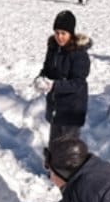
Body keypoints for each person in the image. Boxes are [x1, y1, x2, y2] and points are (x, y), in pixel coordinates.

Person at [35, 10, 91, 144]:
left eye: (63, 33)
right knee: (54, 146)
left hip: (72, 110)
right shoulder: (53, 49)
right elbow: (47, 69)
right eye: (57, 33)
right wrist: (40, 78)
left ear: (71, 33)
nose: (59, 37)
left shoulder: (79, 54)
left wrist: (53, 85)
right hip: (56, 107)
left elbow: (78, 83)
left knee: (67, 150)